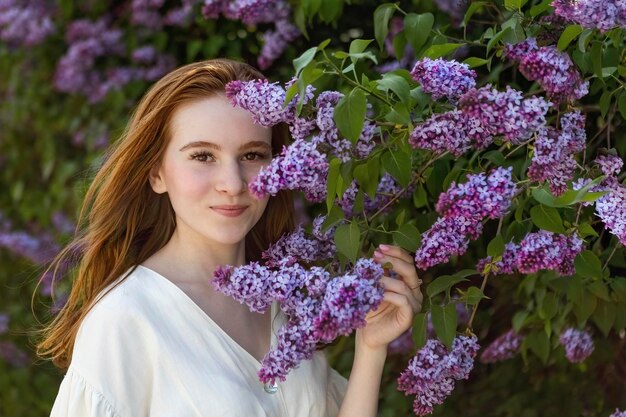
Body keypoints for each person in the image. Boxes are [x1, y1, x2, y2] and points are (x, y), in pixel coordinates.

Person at [37, 58, 423, 417]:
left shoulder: (289, 303)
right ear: (156, 174)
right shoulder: (126, 318)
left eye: (253, 155)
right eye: (203, 156)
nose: (233, 184)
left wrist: (371, 348)